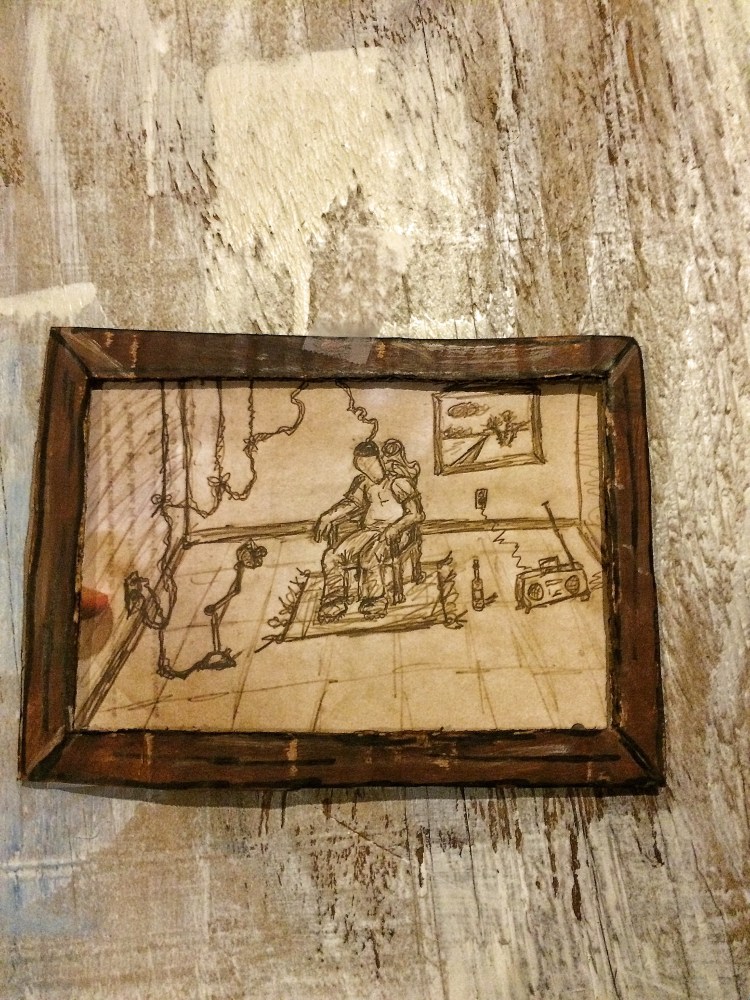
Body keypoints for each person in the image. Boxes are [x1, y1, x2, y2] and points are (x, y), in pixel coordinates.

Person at [314, 440, 424, 622]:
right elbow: (352, 503)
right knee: (332, 556)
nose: (365, 469)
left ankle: (374, 600)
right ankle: (334, 600)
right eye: (361, 465)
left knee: (368, 557)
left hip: (396, 534)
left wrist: (395, 528)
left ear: (378, 460)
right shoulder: (363, 482)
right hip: (369, 531)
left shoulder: (399, 483)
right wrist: (328, 516)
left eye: (368, 464)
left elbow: (416, 514)